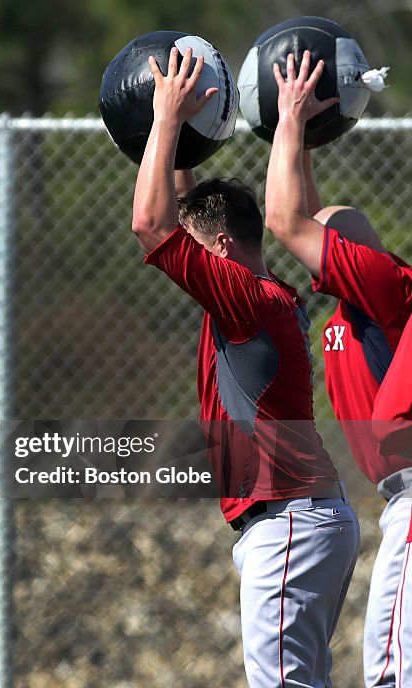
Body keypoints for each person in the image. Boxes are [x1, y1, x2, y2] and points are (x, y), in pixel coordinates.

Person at [130, 49, 359, 686]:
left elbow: (149, 224)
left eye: (197, 249)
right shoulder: (262, 294)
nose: (188, 264)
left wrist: (167, 118)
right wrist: (190, 132)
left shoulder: (244, 300)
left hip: (287, 519)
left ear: (223, 250)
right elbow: (174, 213)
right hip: (304, 518)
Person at [264, 50, 412, 688]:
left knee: (390, 670)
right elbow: (308, 217)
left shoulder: (392, 288)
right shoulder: (349, 313)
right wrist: (304, 145)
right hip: (396, 501)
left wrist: (290, 120)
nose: (319, 247)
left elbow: (286, 220)